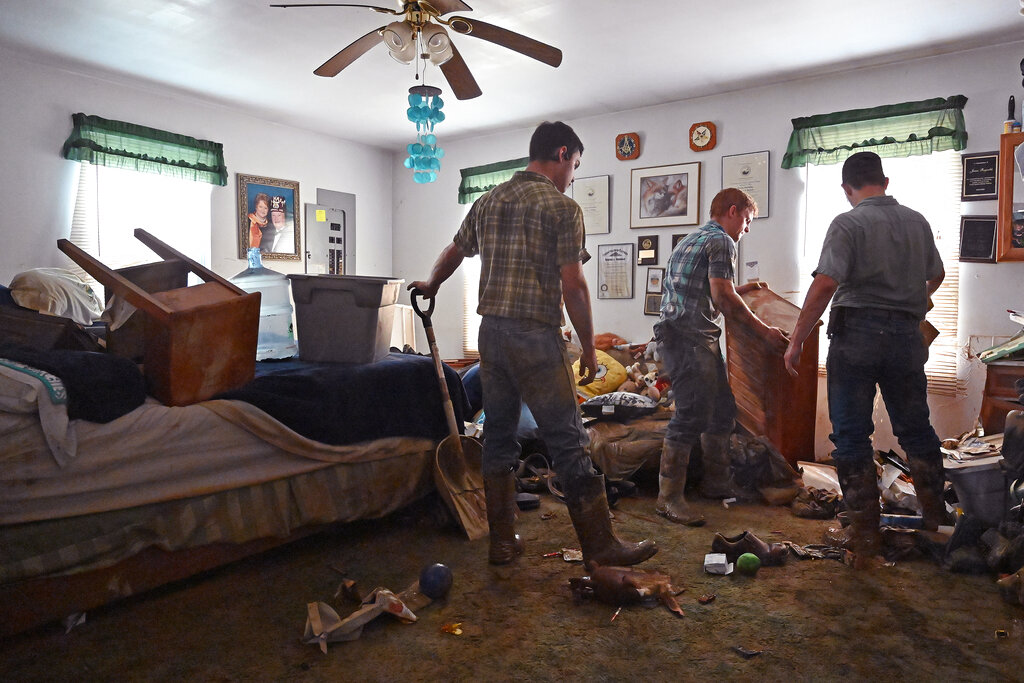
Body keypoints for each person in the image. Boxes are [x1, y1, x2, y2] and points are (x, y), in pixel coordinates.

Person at [409, 121, 657, 568]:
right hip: (536, 339)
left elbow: (455, 250)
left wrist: (431, 284)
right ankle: (599, 546)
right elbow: (574, 286)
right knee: (569, 439)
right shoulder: (562, 207)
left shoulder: (488, 199)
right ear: (561, 154)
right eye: (575, 165)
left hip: (492, 337)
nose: (574, 176)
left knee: (499, 438)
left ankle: (502, 542)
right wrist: (586, 346)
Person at [783, 151, 947, 569]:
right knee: (916, 429)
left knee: (853, 436)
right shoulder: (917, 221)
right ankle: (936, 521)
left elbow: (825, 284)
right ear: (885, 181)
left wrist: (797, 340)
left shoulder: (848, 222)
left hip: (856, 335)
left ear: (846, 188)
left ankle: (866, 536)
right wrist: (912, 304)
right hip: (907, 337)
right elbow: (938, 274)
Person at [655, 188, 788, 527]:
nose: (746, 230)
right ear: (732, 211)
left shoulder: (691, 239)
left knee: (722, 410)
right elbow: (723, 301)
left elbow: (707, 294)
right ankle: (668, 499)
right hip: (689, 339)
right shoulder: (722, 242)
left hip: (686, 335)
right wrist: (765, 333)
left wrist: (741, 290)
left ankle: (715, 482)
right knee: (690, 414)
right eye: (746, 221)